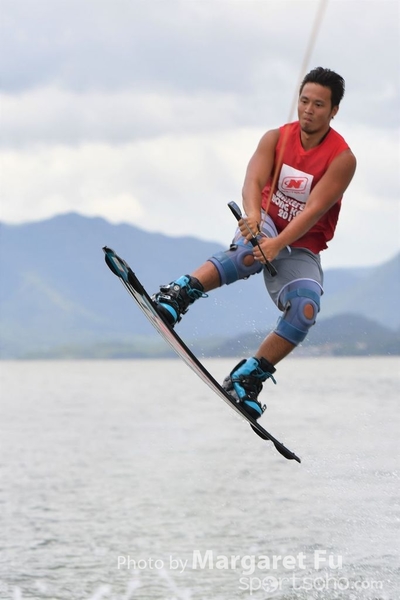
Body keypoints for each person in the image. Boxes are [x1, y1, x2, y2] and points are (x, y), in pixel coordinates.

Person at [152, 67, 357, 420]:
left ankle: (247, 378)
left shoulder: (342, 159)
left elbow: (313, 210)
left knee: (305, 308)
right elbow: (253, 180)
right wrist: (252, 217)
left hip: (301, 243)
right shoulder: (275, 138)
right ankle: (178, 294)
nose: (308, 110)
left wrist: (277, 244)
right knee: (248, 255)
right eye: (304, 101)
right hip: (266, 220)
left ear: (334, 110)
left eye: (318, 104)